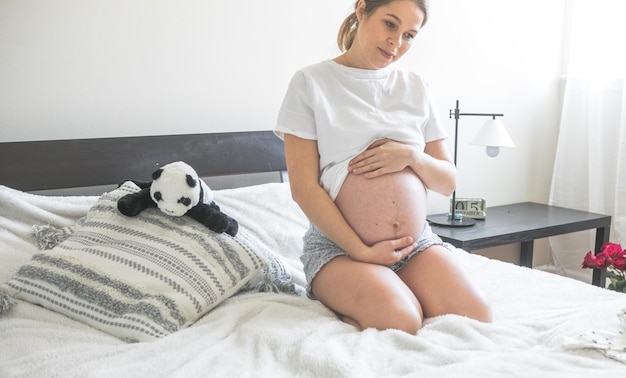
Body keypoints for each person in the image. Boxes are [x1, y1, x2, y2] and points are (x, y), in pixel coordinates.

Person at [274, 0, 492, 334]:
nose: (397, 43)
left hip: (414, 244)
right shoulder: (311, 83)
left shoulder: (416, 87)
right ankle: (347, 292)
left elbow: (448, 182)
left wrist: (411, 157)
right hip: (342, 250)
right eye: (390, 24)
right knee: (401, 320)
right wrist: (361, 251)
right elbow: (303, 189)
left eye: (409, 35)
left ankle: (390, 285)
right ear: (362, 10)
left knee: (476, 316)